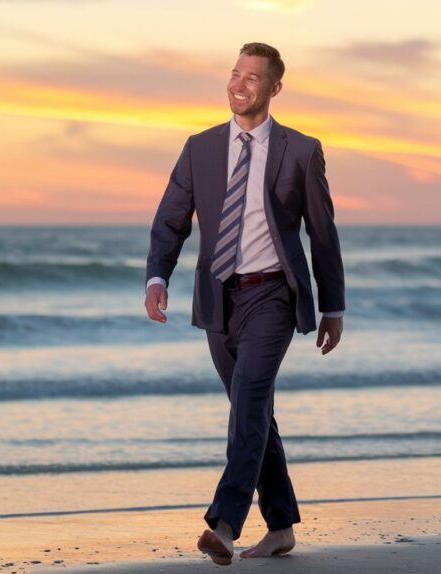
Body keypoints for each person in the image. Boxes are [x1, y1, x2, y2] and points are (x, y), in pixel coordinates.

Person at [144, 42, 346, 565]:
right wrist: (156, 276)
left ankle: (226, 524)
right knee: (252, 412)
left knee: (251, 401)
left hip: (274, 295)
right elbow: (172, 218)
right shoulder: (200, 148)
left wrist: (333, 306)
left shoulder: (300, 150)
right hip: (218, 299)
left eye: (253, 77)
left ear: (274, 88)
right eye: (235, 73)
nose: (239, 84)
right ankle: (281, 526)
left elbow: (322, 235)